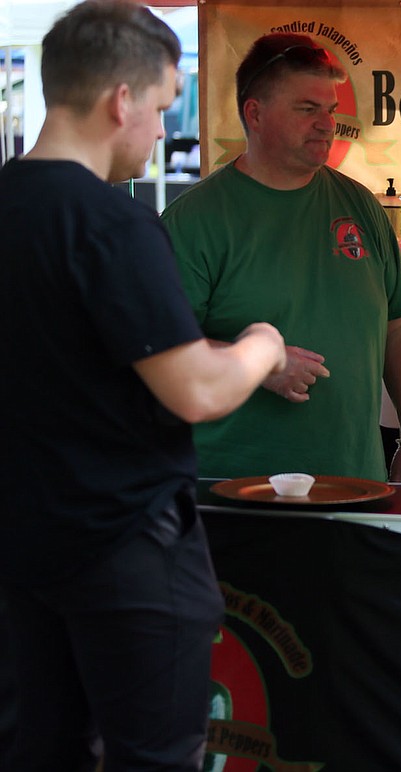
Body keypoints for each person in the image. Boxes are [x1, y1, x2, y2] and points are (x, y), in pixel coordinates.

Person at [0, 2, 288, 769]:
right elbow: (195, 389)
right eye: (162, 108)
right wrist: (262, 346)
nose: (163, 131)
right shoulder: (111, 225)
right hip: (123, 546)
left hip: (23, 544)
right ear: (120, 101)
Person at [161, 33, 401, 483]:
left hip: (354, 484)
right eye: (308, 109)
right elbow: (162, 347)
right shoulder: (195, 221)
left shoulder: (360, 206)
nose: (327, 124)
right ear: (255, 113)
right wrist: (256, 361)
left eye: (330, 109)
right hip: (232, 493)